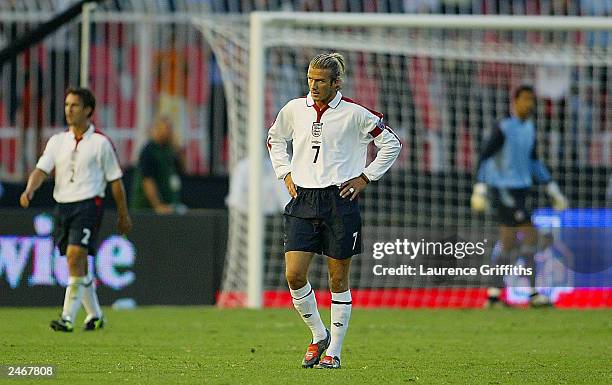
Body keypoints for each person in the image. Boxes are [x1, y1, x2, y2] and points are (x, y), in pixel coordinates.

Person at [267, 52, 401, 369]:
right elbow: (274, 138)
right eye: (310, 79)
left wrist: (366, 176)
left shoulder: (356, 114)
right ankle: (318, 334)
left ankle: (334, 352)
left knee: (337, 279)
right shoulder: (294, 109)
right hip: (303, 199)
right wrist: (284, 174)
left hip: (339, 201)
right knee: (293, 274)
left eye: (320, 80)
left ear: (336, 82)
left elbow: (391, 143)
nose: (313, 85)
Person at [20, 87, 132, 331]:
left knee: (75, 255)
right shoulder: (57, 141)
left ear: (88, 110)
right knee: (77, 264)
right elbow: (42, 169)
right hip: (63, 205)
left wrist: (123, 214)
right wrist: (30, 189)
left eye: (75, 105)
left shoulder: (101, 143)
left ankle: (67, 317)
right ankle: (95, 315)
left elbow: (116, 181)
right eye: (67, 105)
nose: (69, 110)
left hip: (89, 204)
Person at [470, 84, 568, 308]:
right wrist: (480, 187)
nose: (528, 104)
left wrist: (551, 186)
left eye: (531, 100)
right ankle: (531, 293)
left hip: (522, 189)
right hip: (503, 189)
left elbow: (533, 160)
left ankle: (495, 295)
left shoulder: (530, 128)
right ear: (514, 102)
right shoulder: (503, 127)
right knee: (527, 235)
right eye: (524, 99)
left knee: (510, 242)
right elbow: (485, 156)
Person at [131, 116, 185, 214]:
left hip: (169, 205)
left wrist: (178, 148)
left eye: (170, 128)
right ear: (157, 129)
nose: (170, 132)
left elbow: (183, 167)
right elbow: (147, 180)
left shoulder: (169, 149)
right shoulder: (148, 150)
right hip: (147, 209)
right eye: (167, 128)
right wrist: (157, 205)